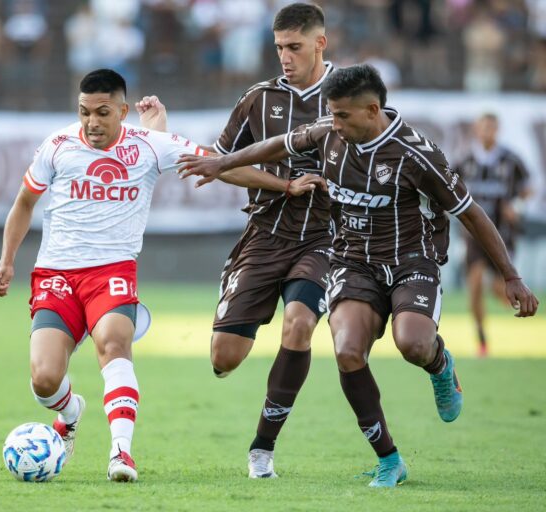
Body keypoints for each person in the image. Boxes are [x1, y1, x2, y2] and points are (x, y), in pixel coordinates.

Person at [177, 64, 539, 487]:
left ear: (372, 110)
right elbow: (279, 145)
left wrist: (511, 276)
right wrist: (224, 162)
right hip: (353, 262)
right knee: (348, 351)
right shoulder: (329, 133)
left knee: (413, 343)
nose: (334, 123)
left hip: (411, 263)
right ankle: (390, 460)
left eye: (343, 115)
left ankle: (440, 364)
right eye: (331, 114)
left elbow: (471, 213)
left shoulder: (416, 155)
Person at [0, 69, 315, 483]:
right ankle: (71, 414)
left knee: (113, 343)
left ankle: (121, 453)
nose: (92, 122)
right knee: (45, 379)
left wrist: (284, 186)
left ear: (123, 111)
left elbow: (218, 165)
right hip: (57, 274)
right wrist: (6, 262)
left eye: (103, 112)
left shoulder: (148, 145)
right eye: (84, 112)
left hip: (112, 272)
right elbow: (23, 203)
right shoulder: (56, 146)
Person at [160, 3, 334, 479]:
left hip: (326, 239)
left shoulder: (346, 97)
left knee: (298, 326)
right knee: (224, 359)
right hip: (265, 235)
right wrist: (284, 184)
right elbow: (224, 163)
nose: (285, 56)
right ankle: (248, 316)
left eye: (294, 47)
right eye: (279, 47)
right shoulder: (260, 98)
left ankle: (263, 448)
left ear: (320, 43)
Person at [455, 113, 531, 357]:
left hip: (502, 234)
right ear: (476, 130)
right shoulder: (465, 161)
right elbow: (449, 188)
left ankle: (525, 309)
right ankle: (482, 339)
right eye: (483, 127)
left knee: (500, 288)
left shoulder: (510, 160)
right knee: (475, 284)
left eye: (491, 127)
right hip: (473, 236)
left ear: (497, 129)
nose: (487, 131)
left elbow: (528, 188)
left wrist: (516, 206)